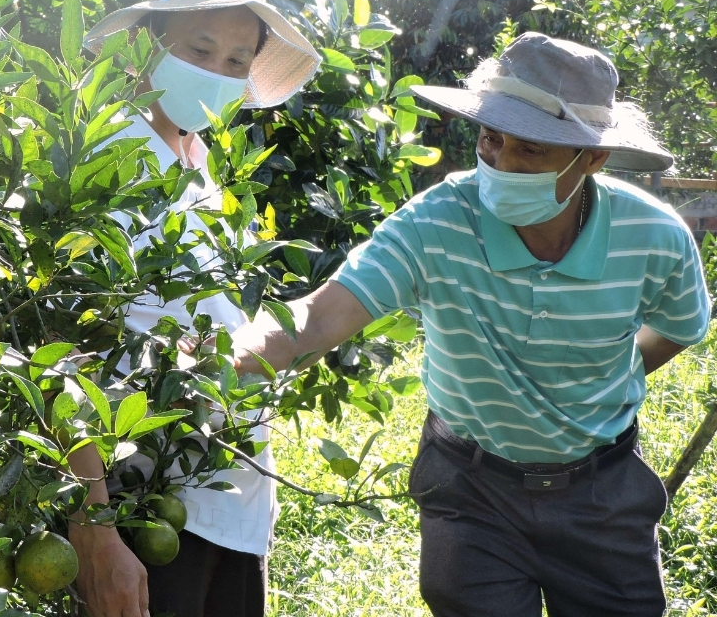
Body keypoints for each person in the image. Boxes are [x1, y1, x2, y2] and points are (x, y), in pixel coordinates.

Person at [230, 31, 712, 616]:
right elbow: (319, 314)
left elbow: (682, 325)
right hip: (470, 487)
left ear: (593, 158)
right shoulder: (440, 221)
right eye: (491, 138)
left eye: (531, 150)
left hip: (601, 494)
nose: (503, 161)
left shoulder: (653, 237)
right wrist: (222, 359)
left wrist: (612, 373)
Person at [67, 0, 321, 617]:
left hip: (225, 509)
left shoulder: (203, 171)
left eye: (239, 60)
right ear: (148, 48)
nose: (217, 71)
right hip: (145, 515)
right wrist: (94, 530)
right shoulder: (107, 165)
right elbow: (62, 358)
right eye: (201, 48)